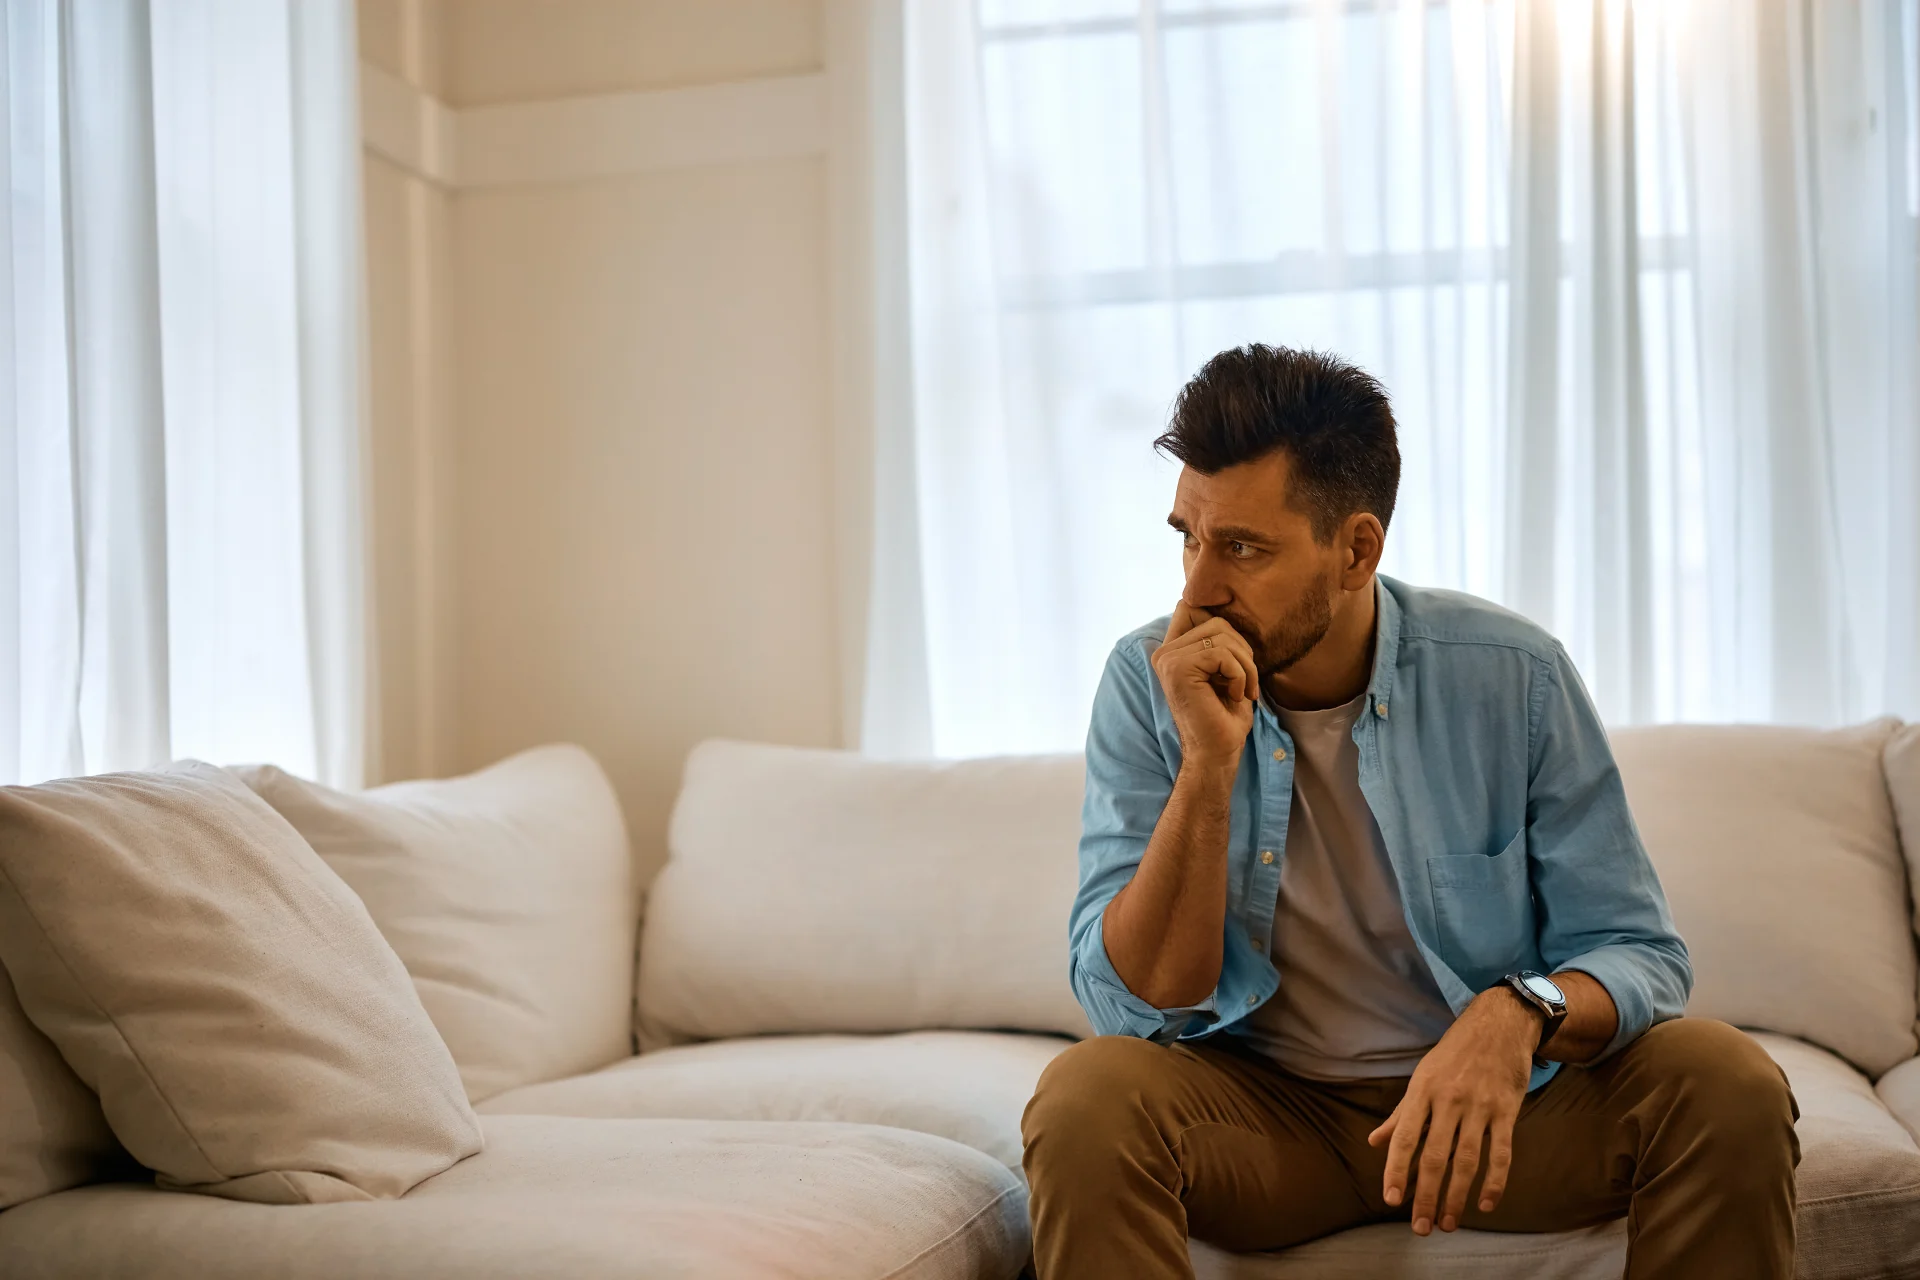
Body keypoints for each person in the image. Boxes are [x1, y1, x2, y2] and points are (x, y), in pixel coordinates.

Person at [1021, 345, 1799, 1280]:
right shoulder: (1148, 680)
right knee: (1085, 1100)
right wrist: (1206, 767)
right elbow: (1139, 1001)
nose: (1197, 590)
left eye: (1242, 548)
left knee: (1726, 1082)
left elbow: (1641, 953)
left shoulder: (1514, 676)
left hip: (1497, 1118)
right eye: (1188, 535)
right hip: (1267, 1117)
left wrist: (1516, 1014)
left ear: (1356, 549)